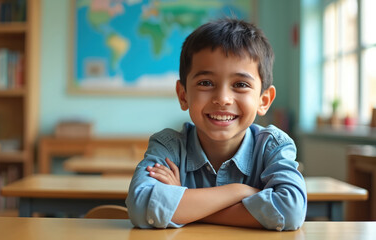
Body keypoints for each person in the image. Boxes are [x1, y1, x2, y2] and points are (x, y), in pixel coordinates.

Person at [125, 18, 307, 231]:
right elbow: (141, 208)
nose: (223, 98)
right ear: (183, 95)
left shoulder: (273, 146)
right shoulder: (168, 146)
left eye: (240, 84)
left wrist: (186, 204)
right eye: (206, 83)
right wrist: (240, 191)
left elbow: (290, 210)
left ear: (263, 100)